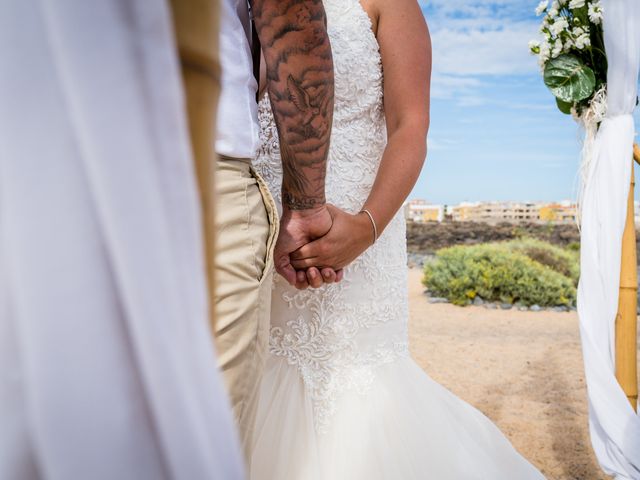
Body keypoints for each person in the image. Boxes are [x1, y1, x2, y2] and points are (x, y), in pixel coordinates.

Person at [249, 0, 547, 478]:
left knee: (355, 384)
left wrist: (364, 228)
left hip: (357, 231)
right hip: (258, 232)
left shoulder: (388, 3)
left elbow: (411, 126)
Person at [213, 0, 338, 457]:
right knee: (205, 442)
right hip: (205, 171)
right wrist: (305, 206)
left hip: (36, 168)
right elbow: (291, 26)